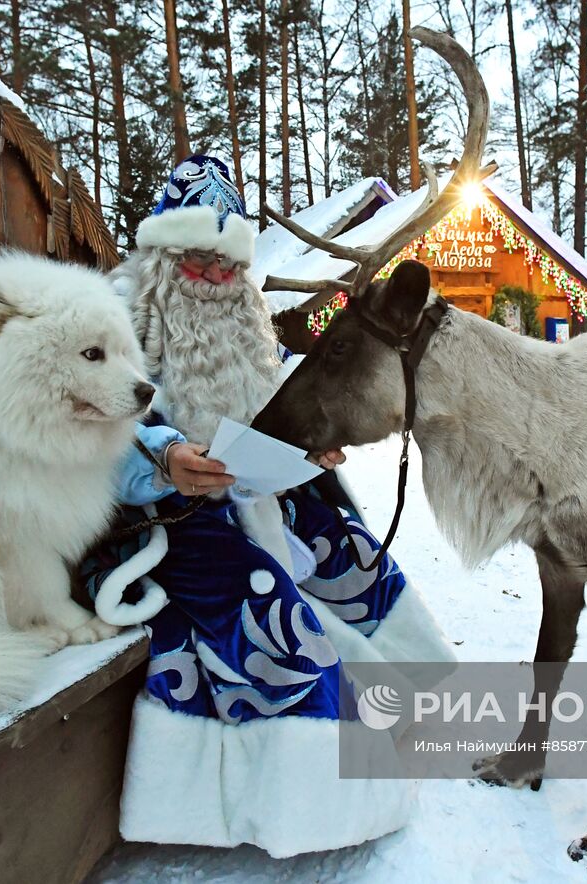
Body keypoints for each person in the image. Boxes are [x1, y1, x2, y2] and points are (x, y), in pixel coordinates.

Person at [79, 155, 455, 858]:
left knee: (343, 542)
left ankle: (417, 696)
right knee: (262, 609)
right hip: (154, 517)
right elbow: (94, 435)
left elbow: (286, 394)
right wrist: (166, 459)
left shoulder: (247, 315)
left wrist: (315, 442)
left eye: (228, 263)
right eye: (200, 261)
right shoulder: (114, 318)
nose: (218, 279)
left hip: (250, 490)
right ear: (164, 253)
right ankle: (303, 794)